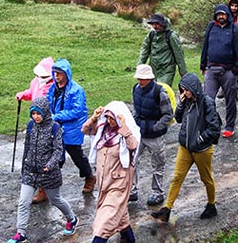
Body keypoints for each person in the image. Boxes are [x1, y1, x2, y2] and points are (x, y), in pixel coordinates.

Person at [6, 101, 78, 243]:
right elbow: (27, 146)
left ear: (45, 112)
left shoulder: (55, 127)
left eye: (38, 113)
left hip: (48, 173)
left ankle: (71, 218)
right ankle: (21, 233)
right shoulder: (31, 125)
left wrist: (50, 165)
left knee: (55, 199)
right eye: (33, 113)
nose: (36, 117)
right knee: (23, 202)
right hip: (31, 171)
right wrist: (24, 165)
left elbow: (58, 150)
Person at [152, 73, 220, 223]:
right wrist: (181, 103)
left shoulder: (207, 103)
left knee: (206, 179)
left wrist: (199, 139)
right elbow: (179, 119)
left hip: (201, 150)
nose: (184, 93)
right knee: (177, 177)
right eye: (182, 90)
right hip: (185, 148)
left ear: (194, 89)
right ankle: (167, 209)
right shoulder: (187, 101)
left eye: (186, 90)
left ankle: (211, 205)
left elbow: (214, 128)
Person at [83, 101, 140, 243]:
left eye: (112, 118)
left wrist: (124, 127)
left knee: (105, 221)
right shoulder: (103, 130)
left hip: (119, 184)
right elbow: (85, 130)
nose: (109, 121)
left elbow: (133, 146)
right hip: (104, 182)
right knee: (119, 214)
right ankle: (128, 237)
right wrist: (94, 117)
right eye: (107, 117)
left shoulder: (127, 132)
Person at [47, 58, 96, 193]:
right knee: (56, 156)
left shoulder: (76, 90)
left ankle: (89, 176)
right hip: (57, 127)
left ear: (66, 74)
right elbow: (48, 102)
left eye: (59, 73)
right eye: (55, 73)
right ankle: (46, 187)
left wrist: (56, 116)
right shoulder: (53, 88)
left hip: (73, 128)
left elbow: (77, 111)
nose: (56, 76)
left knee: (76, 154)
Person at [129, 64, 173, 206]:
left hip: (155, 136)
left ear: (149, 78)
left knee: (158, 165)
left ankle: (157, 193)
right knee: (132, 161)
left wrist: (155, 127)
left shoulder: (160, 93)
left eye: (142, 79)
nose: (140, 81)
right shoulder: (136, 89)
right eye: (139, 78)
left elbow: (168, 114)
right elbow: (135, 109)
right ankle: (132, 191)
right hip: (140, 133)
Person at [200, 4, 238, 138]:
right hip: (211, 69)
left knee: (230, 101)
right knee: (207, 99)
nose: (221, 16)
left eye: (223, 14)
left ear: (228, 15)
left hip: (228, 71)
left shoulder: (235, 29)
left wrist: (236, 69)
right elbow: (205, 45)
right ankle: (213, 123)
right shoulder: (211, 27)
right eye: (218, 14)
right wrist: (203, 64)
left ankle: (229, 126)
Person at [15, 56, 55, 204]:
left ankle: (43, 189)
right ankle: (37, 184)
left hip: (45, 124)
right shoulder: (36, 81)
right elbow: (32, 93)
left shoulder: (52, 87)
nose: (40, 77)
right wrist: (23, 95)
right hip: (35, 121)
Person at [137, 13, 188, 87]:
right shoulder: (151, 35)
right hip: (153, 70)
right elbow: (144, 51)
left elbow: (179, 55)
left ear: (162, 24)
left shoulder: (171, 36)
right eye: (153, 24)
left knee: (163, 90)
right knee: (151, 92)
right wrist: (139, 66)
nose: (154, 26)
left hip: (167, 70)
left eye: (157, 24)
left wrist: (184, 74)